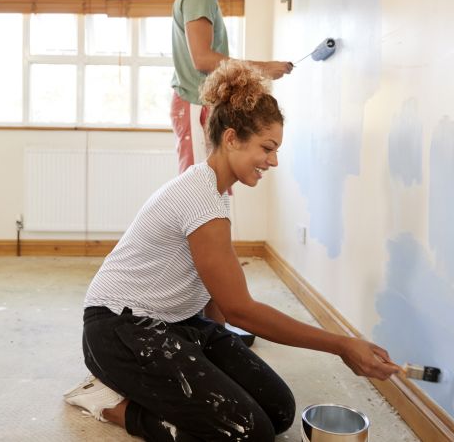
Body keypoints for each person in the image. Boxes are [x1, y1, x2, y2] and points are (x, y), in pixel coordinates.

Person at [64, 60, 401, 441]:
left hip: (176, 322)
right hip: (119, 330)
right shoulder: (200, 198)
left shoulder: (216, 192)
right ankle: (109, 402)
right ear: (231, 139)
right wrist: (342, 345)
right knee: (249, 433)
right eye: (267, 148)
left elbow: (213, 288)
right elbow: (241, 309)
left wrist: (218, 359)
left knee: (279, 410)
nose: (274, 161)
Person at [171, 0, 294, 174]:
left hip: (202, 105)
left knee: (214, 183)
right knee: (198, 186)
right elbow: (202, 59)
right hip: (194, 103)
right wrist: (262, 69)